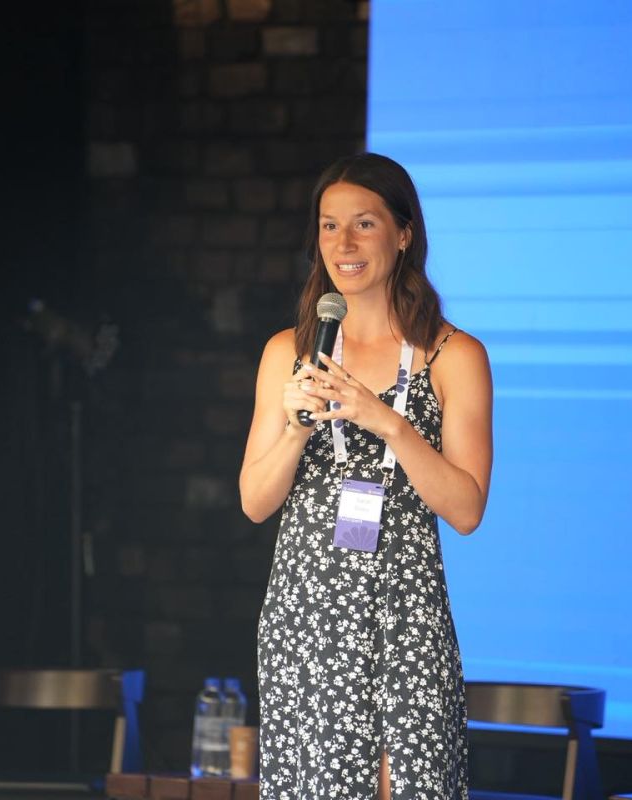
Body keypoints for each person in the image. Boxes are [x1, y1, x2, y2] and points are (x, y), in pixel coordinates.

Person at [239, 152, 493, 800]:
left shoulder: (453, 355)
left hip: (406, 617)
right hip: (309, 620)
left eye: (364, 224)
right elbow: (255, 502)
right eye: (329, 226)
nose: (343, 244)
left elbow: (466, 509)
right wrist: (296, 428)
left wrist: (387, 422)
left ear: (404, 234)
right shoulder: (289, 352)